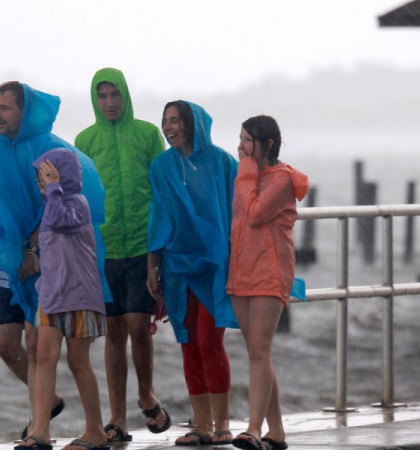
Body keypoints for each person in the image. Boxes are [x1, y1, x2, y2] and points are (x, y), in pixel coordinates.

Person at [0, 82, 110, 439]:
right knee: (5, 343)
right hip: (7, 256)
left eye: (6, 108)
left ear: (25, 111)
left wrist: (33, 250)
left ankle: (40, 428)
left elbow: (80, 199)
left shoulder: (52, 148)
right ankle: (46, 408)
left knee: (41, 347)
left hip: (50, 264)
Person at [74, 68, 169, 442]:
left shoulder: (147, 134)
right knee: (113, 331)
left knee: (137, 326)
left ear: (126, 95)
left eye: (115, 95)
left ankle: (146, 394)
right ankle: (117, 418)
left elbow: (161, 191)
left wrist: (158, 250)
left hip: (142, 248)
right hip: (104, 248)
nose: (110, 103)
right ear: (95, 100)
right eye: (103, 97)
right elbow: (77, 193)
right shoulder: (85, 139)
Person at [146, 100, 237, 446]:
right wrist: (152, 266)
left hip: (214, 264)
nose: (168, 127)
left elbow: (236, 211)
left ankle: (222, 424)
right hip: (176, 266)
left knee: (209, 341)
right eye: (165, 121)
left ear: (192, 123)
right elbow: (158, 217)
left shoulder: (220, 161)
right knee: (188, 345)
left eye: (175, 121)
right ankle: (201, 426)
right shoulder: (161, 166)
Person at [16, 149, 109, 450]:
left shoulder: (77, 203)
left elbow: (58, 220)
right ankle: (39, 430)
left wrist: (54, 187)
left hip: (78, 294)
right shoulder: (51, 204)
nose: (41, 183)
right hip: (52, 294)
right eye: (41, 177)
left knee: (78, 361)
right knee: (43, 358)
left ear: (62, 175)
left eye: (46, 175)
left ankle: (95, 431)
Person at [227, 116, 309, 450]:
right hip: (241, 269)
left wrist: (246, 172)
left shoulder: (282, 179)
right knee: (257, 351)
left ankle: (253, 429)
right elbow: (238, 220)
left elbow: (258, 212)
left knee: (260, 351)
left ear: (268, 144)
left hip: (270, 271)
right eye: (241, 139)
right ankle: (276, 430)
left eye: (248, 141)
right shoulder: (245, 175)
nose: (242, 146)